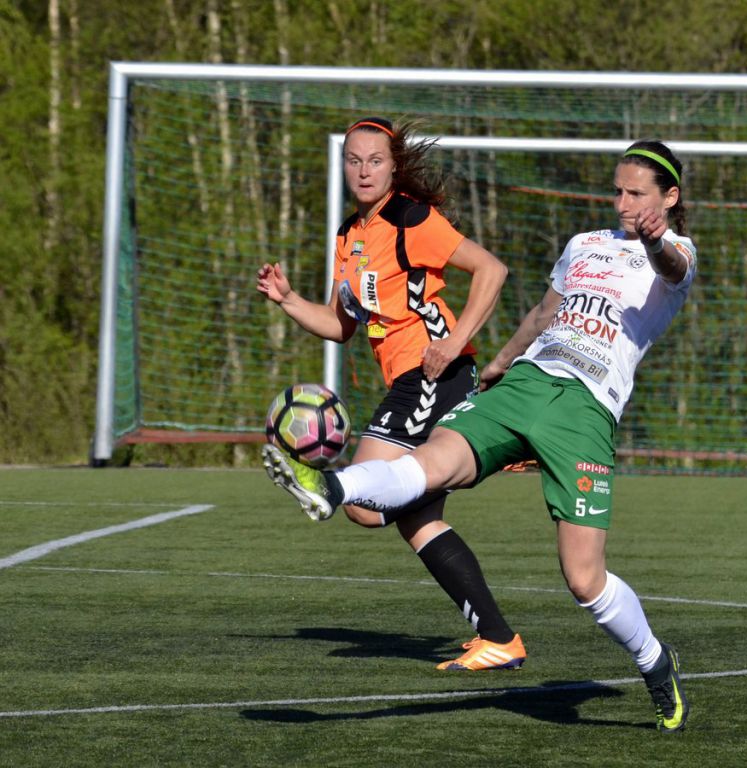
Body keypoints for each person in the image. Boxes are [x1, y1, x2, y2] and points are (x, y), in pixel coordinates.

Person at [261, 140, 696, 732]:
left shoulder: (676, 252)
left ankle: (654, 662)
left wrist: (654, 240)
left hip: (586, 407)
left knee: (584, 580)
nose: (623, 203)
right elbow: (542, 315)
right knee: (433, 463)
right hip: (526, 382)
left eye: (637, 194)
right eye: (618, 191)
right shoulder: (583, 245)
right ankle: (330, 488)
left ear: (668, 198)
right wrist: (498, 364)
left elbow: (672, 268)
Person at [256, 117, 525, 671]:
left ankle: (498, 448)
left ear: (394, 166)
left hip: (433, 374)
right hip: (411, 379)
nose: (363, 170)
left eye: (375, 160)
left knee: (361, 503)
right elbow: (340, 325)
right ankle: (499, 638)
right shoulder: (348, 236)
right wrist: (287, 299)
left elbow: (492, 270)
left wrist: (454, 341)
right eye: (354, 160)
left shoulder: (411, 218)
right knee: (416, 520)